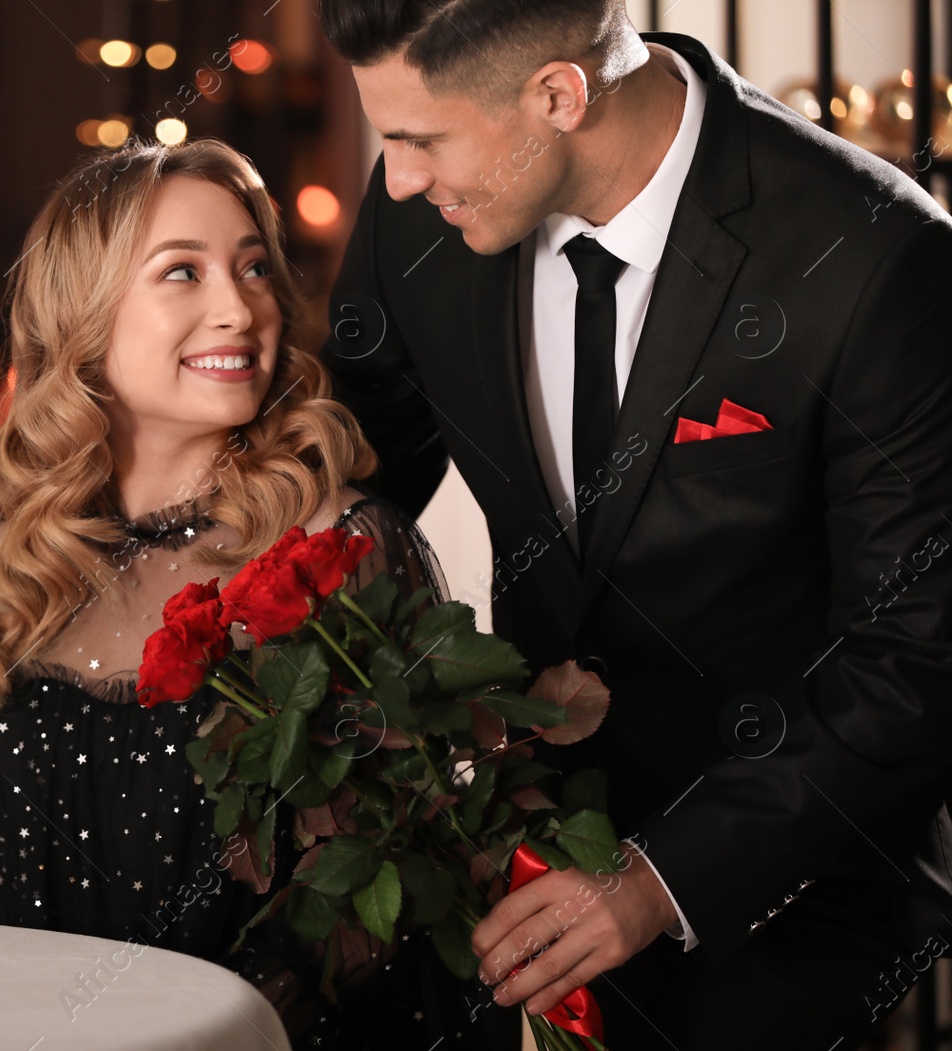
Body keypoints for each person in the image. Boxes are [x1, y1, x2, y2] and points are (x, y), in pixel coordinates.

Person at [313, 1, 952, 1048]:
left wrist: (657, 884)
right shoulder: (419, 214)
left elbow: (913, 660)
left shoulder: (876, 258)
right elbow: (338, 471)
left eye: (418, 140)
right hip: (511, 837)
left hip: (792, 881)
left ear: (558, 97)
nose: (395, 180)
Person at [0, 137, 488, 1047]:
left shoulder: (341, 550)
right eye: (183, 273)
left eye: (254, 268)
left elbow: (374, 898)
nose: (239, 307)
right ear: (86, 314)